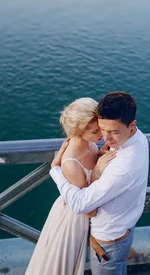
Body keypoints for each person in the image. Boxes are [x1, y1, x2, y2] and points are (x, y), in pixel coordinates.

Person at [50, 91, 149, 275]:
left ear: (131, 125)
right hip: (125, 226)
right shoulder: (138, 137)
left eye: (113, 132)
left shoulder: (123, 168)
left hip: (109, 238)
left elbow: (81, 204)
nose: (106, 139)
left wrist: (55, 171)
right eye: (101, 130)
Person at [26, 98, 117, 275]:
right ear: (79, 131)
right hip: (73, 221)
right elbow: (87, 210)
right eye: (95, 131)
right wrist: (98, 171)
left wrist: (99, 156)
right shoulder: (71, 163)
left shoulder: (90, 144)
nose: (102, 134)